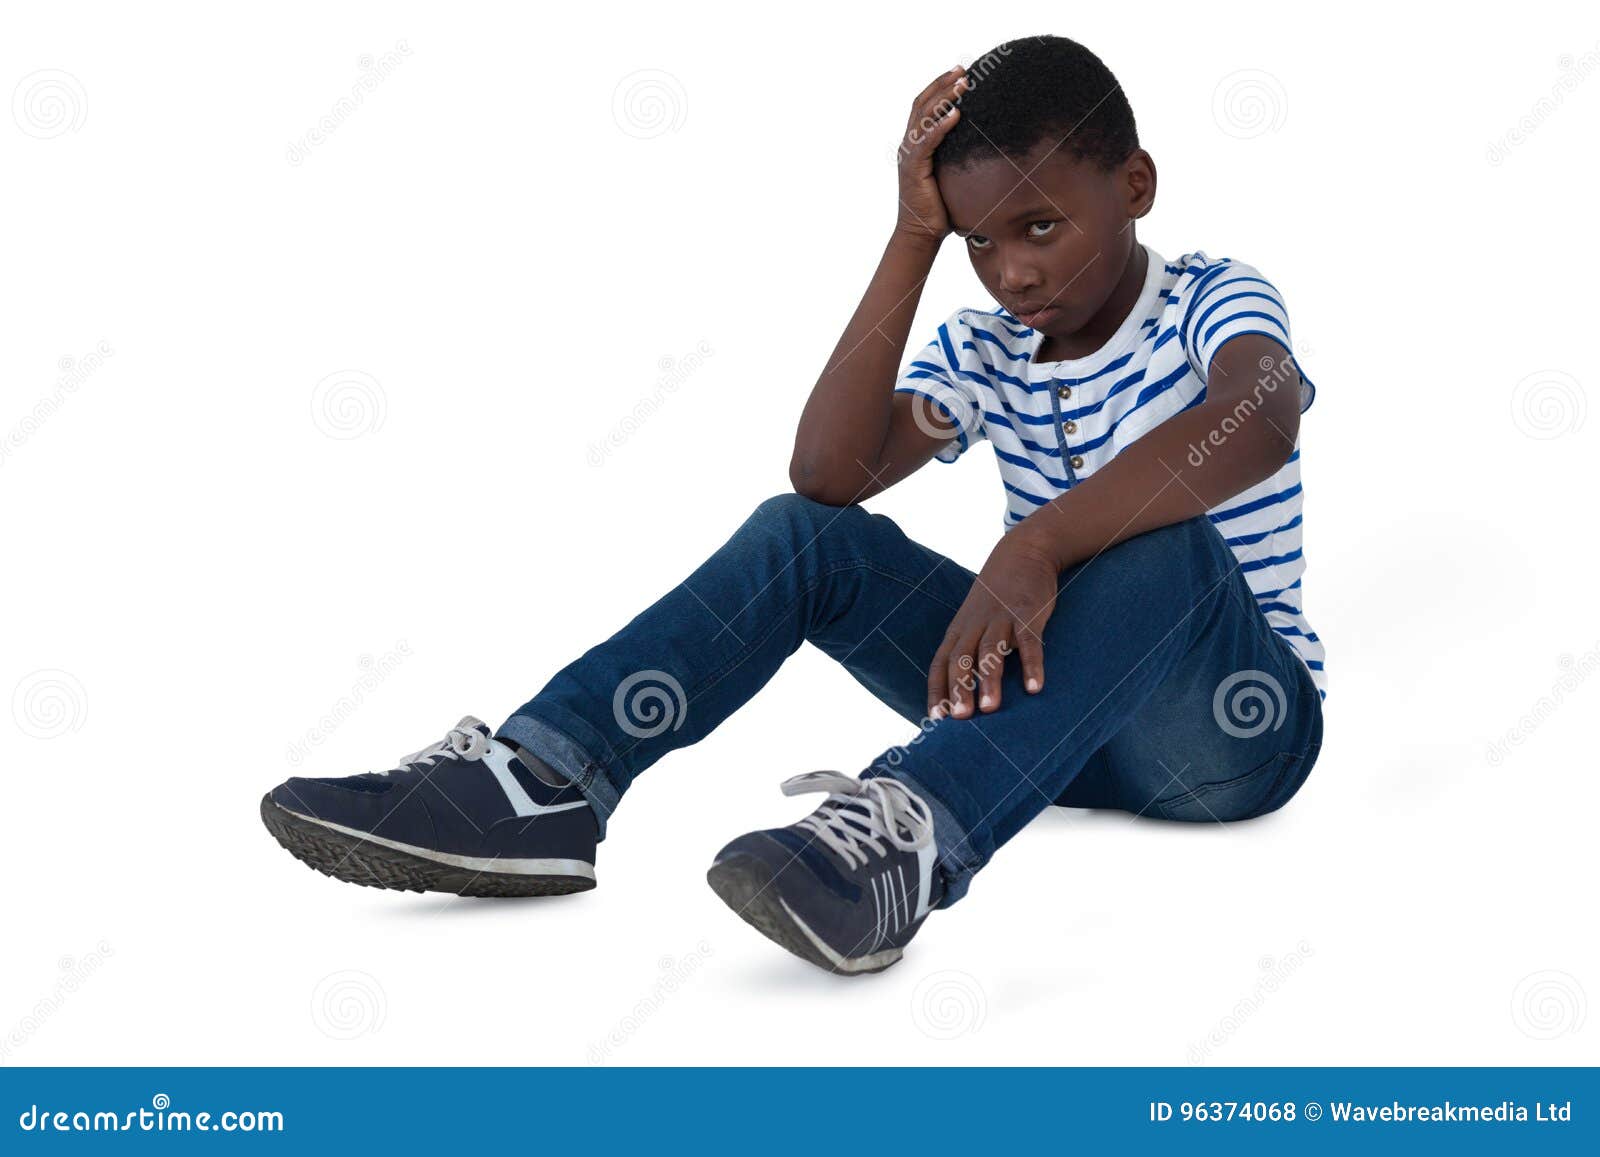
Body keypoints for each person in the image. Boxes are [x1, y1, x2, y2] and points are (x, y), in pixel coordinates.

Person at [259, 35, 1325, 976]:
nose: (1010, 270)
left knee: (1162, 548)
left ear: (1134, 183)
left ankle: (909, 840)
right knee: (801, 538)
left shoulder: (1208, 296)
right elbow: (829, 473)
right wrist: (910, 237)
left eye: (1040, 226)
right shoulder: (988, 349)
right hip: (1050, 733)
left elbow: (1260, 413)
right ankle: (544, 781)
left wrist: (1040, 540)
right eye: (978, 242)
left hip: (1232, 730)